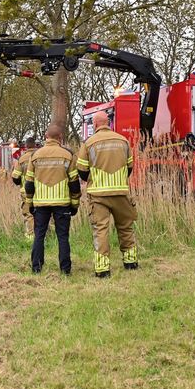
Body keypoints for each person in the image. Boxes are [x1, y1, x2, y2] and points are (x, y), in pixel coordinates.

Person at [76, 111, 138, 277]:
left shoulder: (88, 143)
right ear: (109, 123)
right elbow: (130, 167)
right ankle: (131, 263)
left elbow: (82, 171)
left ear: (95, 124)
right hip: (121, 192)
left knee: (101, 230)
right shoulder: (123, 141)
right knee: (126, 227)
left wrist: (94, 179)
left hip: (98, 195)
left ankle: (102, 270)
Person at [25, 125, 80, 275]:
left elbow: (29, 183)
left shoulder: (35, 155)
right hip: (62, 203)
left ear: (45, 136)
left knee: (39, 235)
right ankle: (65, 270)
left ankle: (36, 268)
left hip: (41, 203)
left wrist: (29, 203)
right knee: (63, 236)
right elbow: (74, 183)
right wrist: (75, 204)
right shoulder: (68, 155)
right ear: (60, 137)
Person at [11, 137, 39, 238]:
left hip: (26, 192)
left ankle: (31, 237)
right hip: (41, 191)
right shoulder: (40, 156)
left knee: (29, 214)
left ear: (26, 146)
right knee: (42, 214)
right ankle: (46, 236)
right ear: (35, 145)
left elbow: (15, 177)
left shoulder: (22, 159)